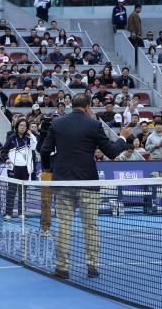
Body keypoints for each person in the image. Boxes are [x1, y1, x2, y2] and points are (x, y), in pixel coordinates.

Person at [40, 93, 130, 280]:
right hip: (88, 183)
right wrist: (122, 138)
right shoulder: (94, 125)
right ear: (88, 107)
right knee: (91, 227)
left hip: (63, 182)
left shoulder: (57, 124)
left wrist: (50, 168)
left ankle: (62, 268)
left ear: (72, 105)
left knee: (63, 225)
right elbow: (112, 153)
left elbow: (45, 150)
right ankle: (92, 266)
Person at [1, 118, 37, 221]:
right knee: (11, 191)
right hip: (13, 168)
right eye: (21, 125)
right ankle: (8, 214)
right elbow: (3, 151)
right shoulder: (11, 138)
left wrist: (31, 134)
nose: (23, 127)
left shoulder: (28, 139)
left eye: (25, 126)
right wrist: (7, 159)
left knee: (23, 192)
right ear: (17, 127)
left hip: (25, 169)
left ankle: (21, 213)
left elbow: (35, 146)